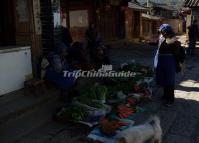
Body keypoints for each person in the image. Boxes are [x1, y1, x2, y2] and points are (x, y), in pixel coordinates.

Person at [154, 24, 186, 106]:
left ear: (166, 31)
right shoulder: (163, 38)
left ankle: (170, 100)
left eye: (162, 32)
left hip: (169, 62)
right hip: (163, 61)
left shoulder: (171, 39)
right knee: (164, 79)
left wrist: (178, 64)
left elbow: (176, 53)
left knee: (169, 81)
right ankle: (165, 96)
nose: (161, 33)